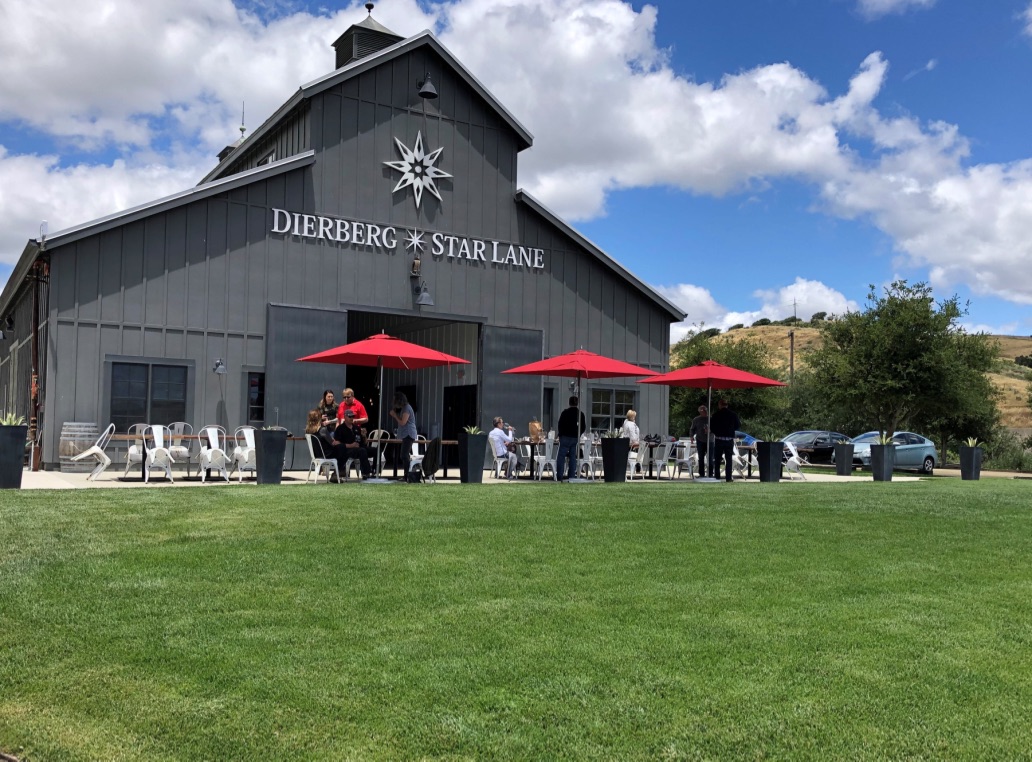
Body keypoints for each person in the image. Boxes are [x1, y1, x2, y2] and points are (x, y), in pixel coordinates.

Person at [555, 396, 587, 482]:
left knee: (561, 456)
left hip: (565, 437)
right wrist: (578, 434)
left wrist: (560, 435)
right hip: (574, 437)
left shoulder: (565, 413)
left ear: (569, 403)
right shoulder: (580, 414)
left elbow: (560, 424)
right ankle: (571, 476)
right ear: (577, 403)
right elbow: (583, 427)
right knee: (573, 457)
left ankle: (559, 475)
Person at [709, 398, 741, 482]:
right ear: (727, 405)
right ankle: (728, 477)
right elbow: (738, 425)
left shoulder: (716, 415)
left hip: (719, 439)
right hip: (729, 439)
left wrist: (717, 432)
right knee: (729, 459)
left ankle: (717, 476)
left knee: (717, 459)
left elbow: (711, 427)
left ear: (720, 405)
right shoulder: (733, 415)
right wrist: (730, 430)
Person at [334, 409, 372, 478]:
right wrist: (351, 445)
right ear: (345, 417)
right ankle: (366, 473)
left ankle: (375, 472)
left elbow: (364, 442)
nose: (352, 418)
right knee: (362, 451)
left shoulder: (356, 428)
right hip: (347, 450)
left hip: (359, 448)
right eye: (350, 416)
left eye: (353, 416)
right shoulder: (340, 428)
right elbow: (337, 444)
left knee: (376, 450)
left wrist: (364, 436)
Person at [388, 391, 417, 479]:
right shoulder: (404, 408)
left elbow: (403, 422)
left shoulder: (407, 408)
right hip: (405, 434)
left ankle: (408, 474)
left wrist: (395, 415)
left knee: (404, 455)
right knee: (405, 454)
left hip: (408, 433)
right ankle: (407, 474)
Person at [689, 404, 709, 479]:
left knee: (710, 457)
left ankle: (710, 473)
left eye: (705, 410)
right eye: (702, 410)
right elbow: (692, 429)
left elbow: (716, 428)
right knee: (701, 457)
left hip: (709, 440)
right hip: (700, 440)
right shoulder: (696, 419)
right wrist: (691, 436)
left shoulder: (710, 418)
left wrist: (710, 431)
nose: (704, 411)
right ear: (699, 411)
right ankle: (702, 473)